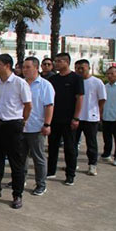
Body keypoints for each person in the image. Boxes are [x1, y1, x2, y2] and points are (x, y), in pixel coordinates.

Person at [0, 54, 32, 209]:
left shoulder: (20, 83)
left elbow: (28, 105)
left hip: (13, 125)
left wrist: (22, 121)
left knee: (16, 162)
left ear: (7, 65)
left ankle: (17, 194)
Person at [47, 53, 84, 186]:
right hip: (54, 119)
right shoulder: (53, 79)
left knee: (69, 148)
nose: (56, 63)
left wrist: (76, 117)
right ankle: (50, 171)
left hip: (69, 119)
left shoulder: (76, 78)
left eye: (59, 61)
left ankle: (70, 175)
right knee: (52, 146)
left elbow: (79, 98)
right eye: (55, 61)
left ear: (67, 62)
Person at [21, 57, 55, 196]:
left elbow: (49, 106)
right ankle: (20, 180)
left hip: (37, 127)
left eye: (28, 67)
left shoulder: (45, 85)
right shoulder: (21, 83)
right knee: (21, 157)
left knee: (38, 157)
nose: (25, 70)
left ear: (36, 68)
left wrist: (47, 124)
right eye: (23, 67)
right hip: (21, 126)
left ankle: (41, 184)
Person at [74, 59, 106, 176]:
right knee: (73, 142)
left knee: (91, 143)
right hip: (76, 118)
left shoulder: (97, 82)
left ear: (88, 68)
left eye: (82, 68)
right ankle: (72, 164)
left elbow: (102, 99)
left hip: (90, 118)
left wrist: (97, 111)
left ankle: (92, 165)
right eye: (77, 68)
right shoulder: (75, 81)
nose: (80, 70)